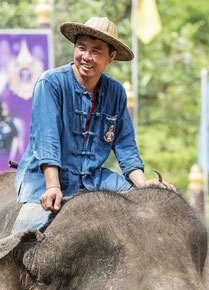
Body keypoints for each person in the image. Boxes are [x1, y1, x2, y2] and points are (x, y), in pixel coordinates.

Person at [11, 16, 175, 233]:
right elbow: (46, 140)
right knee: (24, 235)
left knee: (147, 207)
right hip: (45, 178)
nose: (86, 57)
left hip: (93, 177)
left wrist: (143, 185)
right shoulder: (50, 83)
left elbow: (125, 145)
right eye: (81, 48)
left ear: (111, 57)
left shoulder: (116, 92)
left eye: (96, 51)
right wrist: (53, 187)